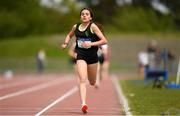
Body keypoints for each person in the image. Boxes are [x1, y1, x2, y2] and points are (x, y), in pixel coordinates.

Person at [61, 7, 108, 114]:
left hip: (92, 58)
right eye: (82, 14)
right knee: (82, 80)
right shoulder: (76, 26)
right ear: (80, 16)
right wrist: (65, 43)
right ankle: (83, 104)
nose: (84, 15)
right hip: (81, 56)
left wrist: (90, 44)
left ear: (90, 17)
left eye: (87, 14)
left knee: (92, 82)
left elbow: (104, 40)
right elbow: (69, 35)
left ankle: (92, 79)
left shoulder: (93, 27)